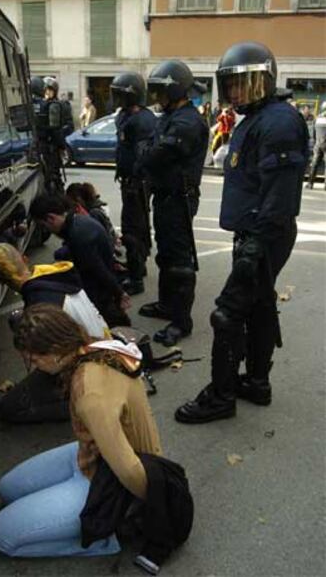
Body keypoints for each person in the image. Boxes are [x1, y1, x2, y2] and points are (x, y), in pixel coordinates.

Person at [175, 41, 309, 424]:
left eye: (244, 84)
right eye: (230, 85)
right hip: (256, 234)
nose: (235, 92)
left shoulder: (278, 121)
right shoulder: (259, 116)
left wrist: (254, 249)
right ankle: (256, 381)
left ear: (264, 80)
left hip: (263, 235)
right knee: (260, 306)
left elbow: (280, 198)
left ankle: (220, 397)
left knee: (227, 314)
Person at [0, 303, 162, 558]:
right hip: (92, 453)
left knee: (2, 535)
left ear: (56, 351)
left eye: (35, 358)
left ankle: (105, 538)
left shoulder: (90, 393)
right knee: (8, 489)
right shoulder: (94, 346)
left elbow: (127, 466)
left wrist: (156, 503)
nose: (34, 365)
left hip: (110, 477)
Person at [0, 243, 110, 423]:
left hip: (87, 365)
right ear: (25, 259)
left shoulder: (39, 304)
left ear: (0, 281)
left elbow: (54, 360)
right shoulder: (56, 276)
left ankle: (82, 406)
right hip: (103, 348)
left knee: (9, 408)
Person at [137, 59, 209, 347]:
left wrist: (147, 151)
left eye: (160, 92)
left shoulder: (187, 121)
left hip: (179, 199)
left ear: (177, 90)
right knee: (166, 255)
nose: (156, 98)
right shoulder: (170, 117)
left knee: (180, 262)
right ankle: (168, 306)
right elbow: (150, 149)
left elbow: (153, 155)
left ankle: (182, 321)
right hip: (165, 197)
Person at [30, 193, 131, 327]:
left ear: (51, 218)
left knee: (106, 324)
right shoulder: (77, 221)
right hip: (99, 279)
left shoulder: (79, 237)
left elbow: (98, 270)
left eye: (43, 225)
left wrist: (119, 293)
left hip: (99, 292)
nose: (46, 230)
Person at [110, 71, 156, 296]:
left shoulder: (143, 120)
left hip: (137, 183)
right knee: (137, 226)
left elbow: (144, 155)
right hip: (129, 181)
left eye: (120, 95)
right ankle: (139, 266)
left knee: (133, 229)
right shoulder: (126, 115)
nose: (116, 100)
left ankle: (136, 278)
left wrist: (136, 179)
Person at [31, 76, 65, 193]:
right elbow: (56, 129)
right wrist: (61, 145)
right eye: (46, 89)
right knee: (53, 177)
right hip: (47, 148)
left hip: (32, 147)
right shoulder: (50, 106)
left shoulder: (26, 105)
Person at [306, 100, 326, 189]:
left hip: (318, 144)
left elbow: (313, 133)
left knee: (314, 163)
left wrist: (315, 142)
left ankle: (310, 183)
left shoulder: (317, 118)